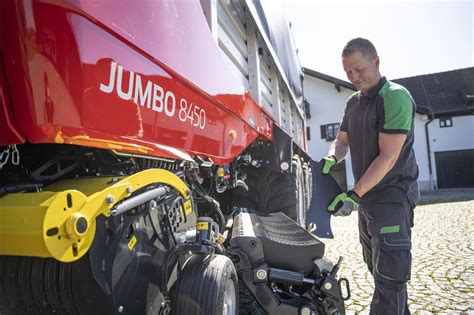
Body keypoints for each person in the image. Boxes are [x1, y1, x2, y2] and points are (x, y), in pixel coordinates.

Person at [321, 37, 419, 314]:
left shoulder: (395, 97)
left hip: (392, 197)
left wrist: (353, 194)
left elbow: (388, 156)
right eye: (348, 72)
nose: (353, 77)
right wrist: (332, 156)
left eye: (359, 69)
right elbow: (341, 140)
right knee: (381, 271)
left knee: (390, 277)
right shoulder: (353, 102)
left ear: (376, 61)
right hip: (368, 200)